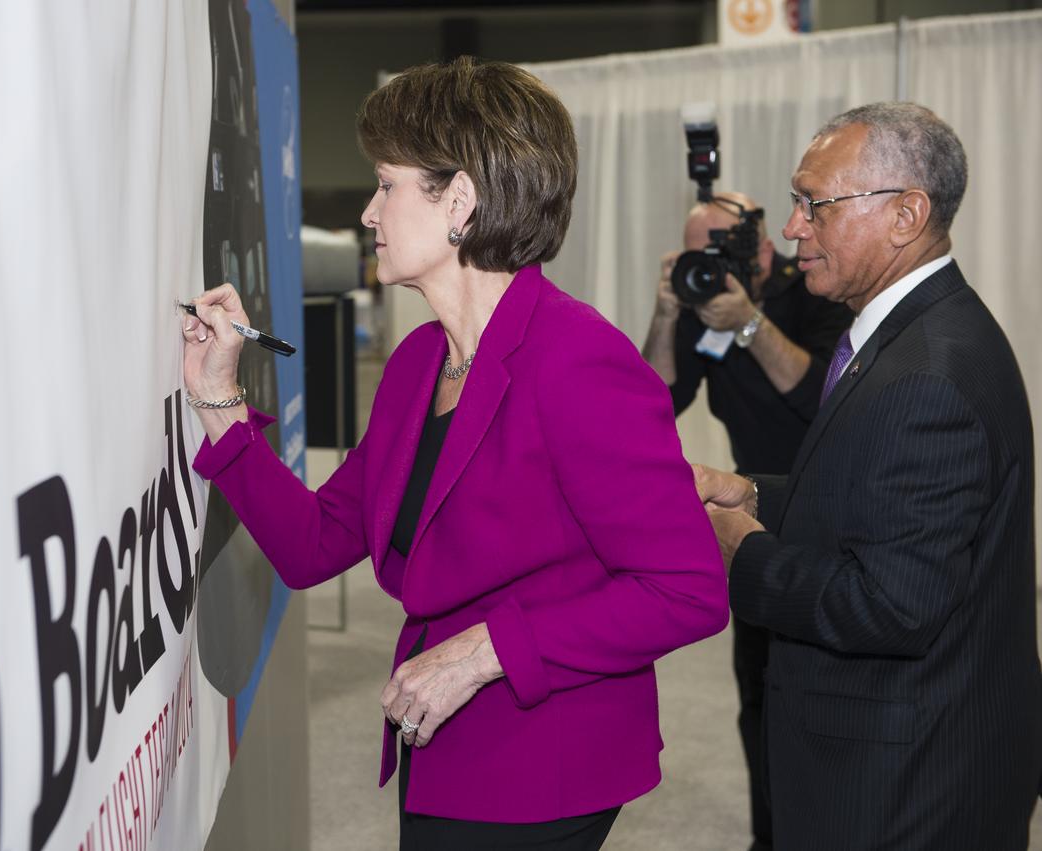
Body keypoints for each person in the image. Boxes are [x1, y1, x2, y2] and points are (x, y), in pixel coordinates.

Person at [181, 56, 729, 849]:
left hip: (541, 758)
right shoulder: (418, 364)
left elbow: (686, 591)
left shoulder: (579, 362)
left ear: (460, 202)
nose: (368, 212)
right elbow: (312, 544)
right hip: (441, 732)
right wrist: (218, 398)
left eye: (385, 184)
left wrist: (485, 651)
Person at [696, 102, 1042, 850]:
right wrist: (756, 494)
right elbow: (877, 499)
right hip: (905, 751)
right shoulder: (911, 332)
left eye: (813, 204)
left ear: (905, 214)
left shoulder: (928, 373)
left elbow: (888, 605)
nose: (792, 229)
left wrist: (740, 549)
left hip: (907, 781)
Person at [641, 191, 851, 851]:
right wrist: (665, 311)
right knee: (759, 691)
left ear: (759, 246)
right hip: (751, 509)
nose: (712, 261)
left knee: (834, 692)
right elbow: (651, 403)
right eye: (698, 249)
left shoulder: (820, 290)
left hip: (835, 509)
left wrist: (749, 324)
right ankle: (771, 837)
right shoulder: (699, 297)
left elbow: (823, 399)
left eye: (721, 247)